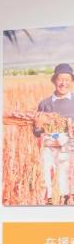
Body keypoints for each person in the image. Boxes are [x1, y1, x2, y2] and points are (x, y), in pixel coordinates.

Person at [33, 63, 74, 204]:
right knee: (49, 183)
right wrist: (38, 126)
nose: (63, 83)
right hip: (50, 151)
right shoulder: (45, 104)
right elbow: (37, 133)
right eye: (60, 79)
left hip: (70, 152)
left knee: (67, 185)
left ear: (71, 81)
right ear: (54, 80)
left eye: (67, 79)